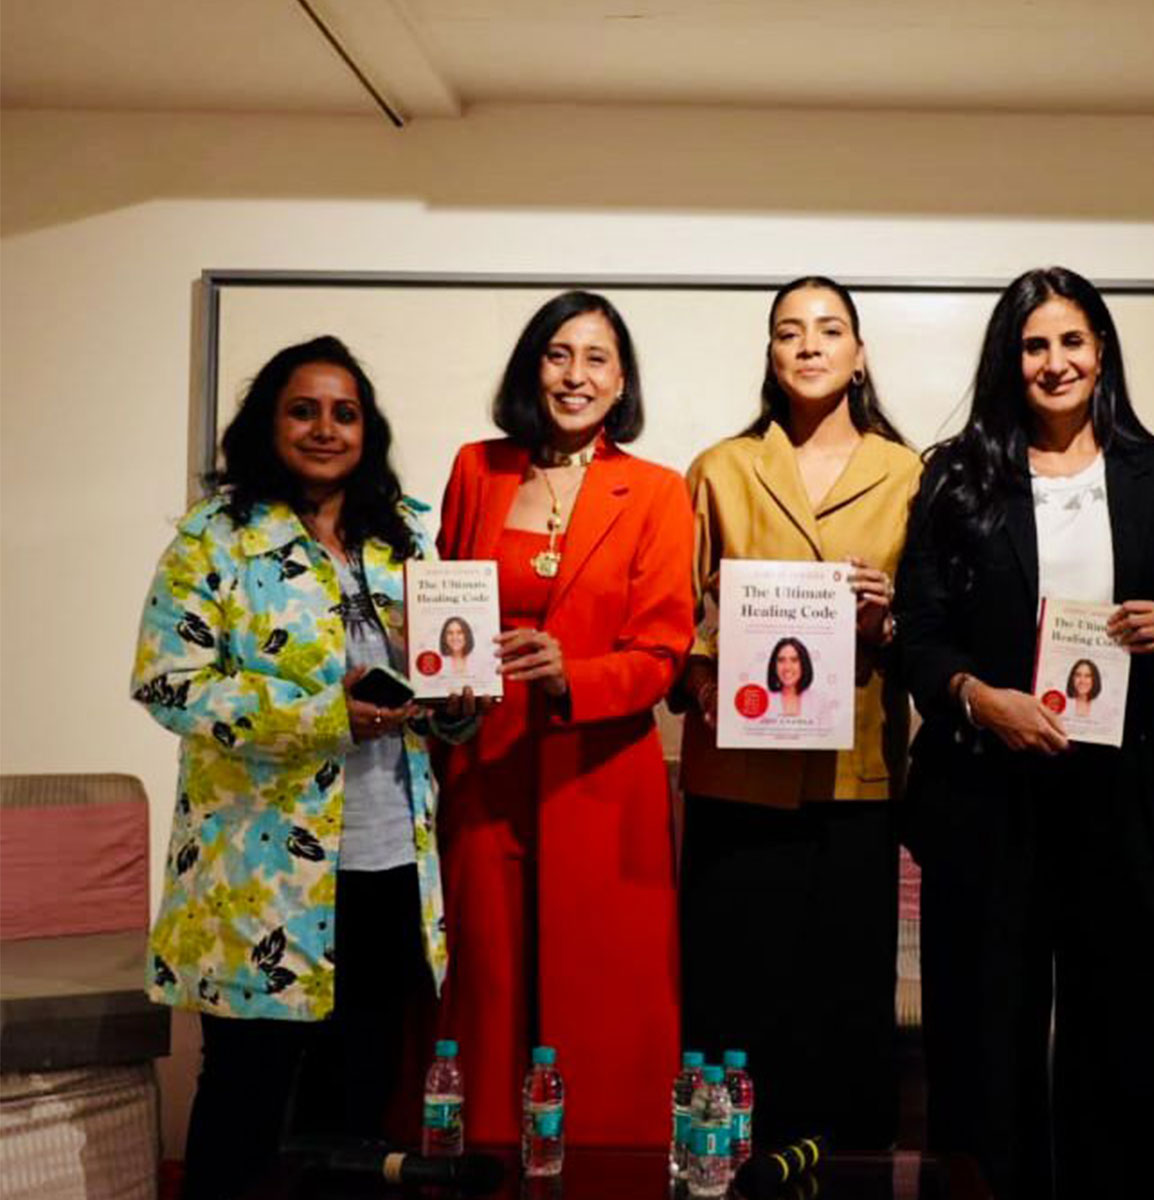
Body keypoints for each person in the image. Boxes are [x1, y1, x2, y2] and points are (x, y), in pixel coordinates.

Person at [131, 336, 475, 1199]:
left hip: (388, 861)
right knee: (245, 1100)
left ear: (368, 430)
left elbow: (436, 677)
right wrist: (324, 714)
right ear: (268, 423)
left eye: (344, 413)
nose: (326, 429)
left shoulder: (405, 536)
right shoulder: (216, 537)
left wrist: (460, 700)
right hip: (260, 877)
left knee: (358, 1107)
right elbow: (170, 682)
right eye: (304, 411)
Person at [896, 267, 1154, 1200]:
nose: (1055, 361)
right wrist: (975, 697)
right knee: (984, 1046)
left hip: (1129, 799)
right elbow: (920, 635)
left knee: (1134, 1050)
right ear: (1011, 359)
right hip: (987, 798)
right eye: (1034, 345)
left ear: (1102, 350)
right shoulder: (958, 474)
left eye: (1072, 341)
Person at [432, 291, 694, 1146]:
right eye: (558, 354)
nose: (575, 375)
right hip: (485, 766)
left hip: (601, 775)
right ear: (532, 368)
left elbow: (662, 652)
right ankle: (483, 1165)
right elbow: (442, 606)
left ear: (621, 383)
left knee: (605, 997)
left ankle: (607, 1167)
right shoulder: (477, 469)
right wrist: (439, 684)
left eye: (596, 359)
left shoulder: (655, 491)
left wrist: (569, 675)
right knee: (488, 985)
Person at [676, 275, 922, 1148]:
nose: (809, 345)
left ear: (860, 354)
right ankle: (720, 1169)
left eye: (829, 329)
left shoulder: (911, 474)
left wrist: (886, 619)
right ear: (771, 354)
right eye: (789, 331)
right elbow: (675, 623)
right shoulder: (719, 469)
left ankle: (846, 1173)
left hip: (856, 777)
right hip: (737, 780)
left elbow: (936, 630)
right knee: (732, 1003)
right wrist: (703, 679)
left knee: (846, 1009)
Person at [767, 636, 814, 716]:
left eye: (794, 660)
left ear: (804, 664)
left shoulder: (820, 702)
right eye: (781, 660)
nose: (787, 667)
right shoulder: (762, 701)